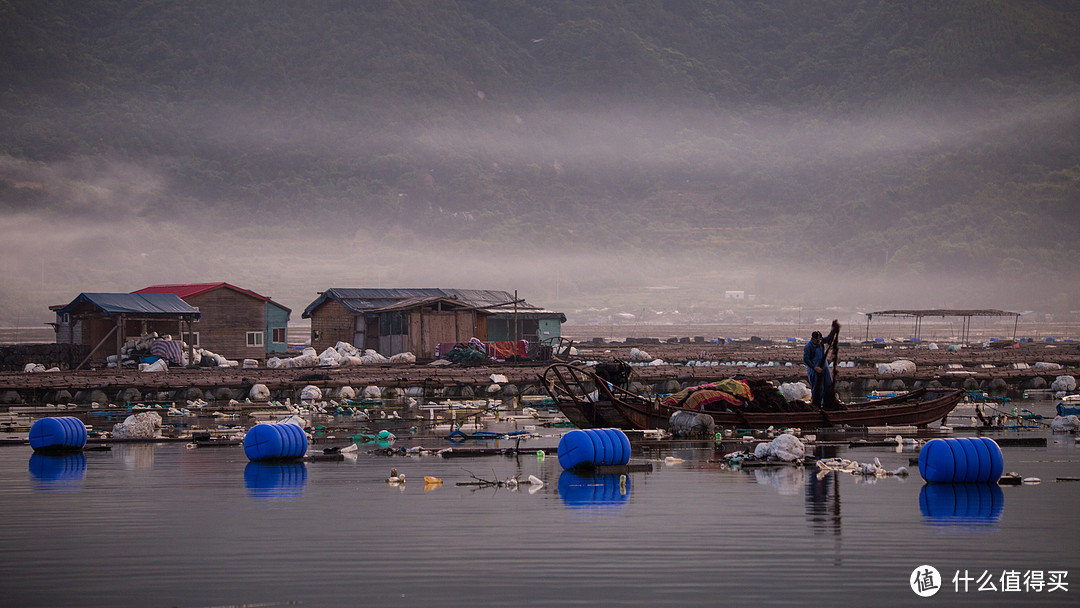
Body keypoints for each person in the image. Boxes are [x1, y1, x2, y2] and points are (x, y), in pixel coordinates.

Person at [803, 320, 840, 409]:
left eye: (820, 340)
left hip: (824, 367)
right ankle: (817, 405)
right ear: (812, 339)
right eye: (817, 340)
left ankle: (827, 404)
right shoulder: (809, 347)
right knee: (817, 388)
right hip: (814, 369)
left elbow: (827, 339)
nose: (819, 342)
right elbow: (806, 359)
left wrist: (833, 331)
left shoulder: (820, 343)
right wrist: (815, 367)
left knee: (828, 385)